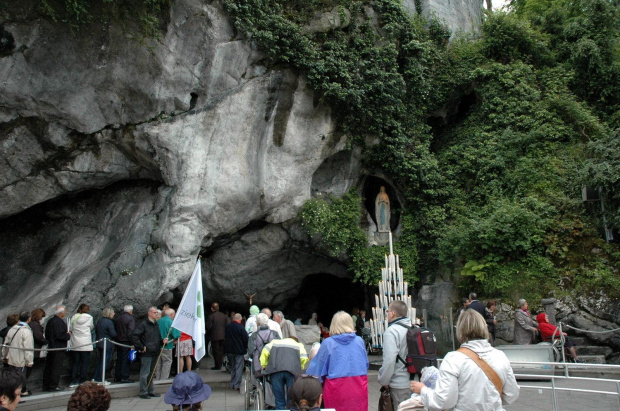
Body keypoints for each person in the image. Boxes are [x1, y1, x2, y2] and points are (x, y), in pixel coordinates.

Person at [410, 310, 520, 410]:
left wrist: (423, 390)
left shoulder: (453, 359)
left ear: (459, 330)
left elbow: (444, 402)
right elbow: (511, 394)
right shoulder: (500, 356)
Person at [306, 311, 368, 411]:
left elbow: (317, 369)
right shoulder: (359, 341)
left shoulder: (328, 343)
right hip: (358, 387)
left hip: (335, 390)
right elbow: (365, 364)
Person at [378, 300, 413, 409]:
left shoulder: (392, 331)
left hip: (399, 384)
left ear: (392, 313)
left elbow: (389, 360)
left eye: (387, 311)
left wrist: (384, 381)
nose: (387, 314)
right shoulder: (414, 328)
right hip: (416, 383)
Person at [260, 336, 308, 410]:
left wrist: (264, 364)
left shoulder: (274, 342)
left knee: (279, 399)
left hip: (275, 370)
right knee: (291, 398)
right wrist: (299, 368)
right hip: (292, 372)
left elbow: (265, 352)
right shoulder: (299, 345)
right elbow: (304, 358)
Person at [132, 306, 167, 399]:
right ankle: (143, 391)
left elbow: (157, 337)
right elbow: (135, 336)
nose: (156, 314)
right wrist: (141, 347)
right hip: (147, 351)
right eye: (155, 312)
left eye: (157, 312)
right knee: (145, 372)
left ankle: (151, 390)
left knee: (152, 372)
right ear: (150, 313)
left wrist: (162, 341)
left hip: (155, 350)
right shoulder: (143, 324)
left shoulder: (156, 324)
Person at [1, 311, 33, 397]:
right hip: (20, 359)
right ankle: (16, 395)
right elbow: (28, 348)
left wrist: (4, 356)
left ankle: (12, 394)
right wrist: (29, 361)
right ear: (29, 319)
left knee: (12, 378)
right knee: (19, 379)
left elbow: (6, 344)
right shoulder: (26, 331)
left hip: (11, 358)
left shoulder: (12, 328)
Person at [42, 305, 71, 392]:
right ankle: (53, 385)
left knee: (50, 367)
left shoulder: (51, 321)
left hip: (52, 346)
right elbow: (59, 335)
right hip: (58, 347)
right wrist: (68, 335)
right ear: (61, 313)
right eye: (65, 311)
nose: (65, 313)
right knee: (56, 367)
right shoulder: (58, 322)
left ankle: (47, 385)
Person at [69, 304, 95, 387]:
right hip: (85, 343)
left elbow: (70, 328)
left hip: (75, 343)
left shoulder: (74, 317)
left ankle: (73, 381)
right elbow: (91, 327)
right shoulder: (89, 317)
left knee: (75, 363)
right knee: (85, 363)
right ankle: (83, 379)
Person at [93, 307, 117, 384]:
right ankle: (100, 379)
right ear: (109, 313)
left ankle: (96, 377)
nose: (114, 314)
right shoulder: (109, 322)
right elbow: (113, 334)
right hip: (107, 344)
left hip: (100, 343)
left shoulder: (99, 321)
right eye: (113, 312)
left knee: (100, 361)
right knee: (105, 361)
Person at [224, 313, 248, 390]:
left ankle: (232, 383)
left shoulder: (227, 327)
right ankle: (236, 384)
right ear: (240, 319)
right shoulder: (241, 327)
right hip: (239, 350)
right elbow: (245, 339)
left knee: (233, 367)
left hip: (229, 350)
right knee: (238, 367)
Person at [155, 308, 180, 380]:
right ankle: (163, 379)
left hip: (157, 345)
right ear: (171, 314)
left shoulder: (159, 321)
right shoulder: (170, 322)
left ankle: (157, 378)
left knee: (158, 362)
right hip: (167, 345)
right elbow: (176, 334)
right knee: (167, 362)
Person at [114, 305, 135, 383]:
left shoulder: (118, 317)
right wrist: (132, 341)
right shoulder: (130, 318)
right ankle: (124, 377)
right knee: (126, 359)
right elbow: (130, 331)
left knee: (119, 359)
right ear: (130, 311)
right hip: (126, 341)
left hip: (118, 340)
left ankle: (117, 376)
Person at [206, 303, 227, 370]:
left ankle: (217, 365)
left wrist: (208, 334)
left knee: (216, 351)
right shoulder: (223, 316)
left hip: (214, 336)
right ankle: (220, 363)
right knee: (221, 351)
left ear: (212, 309)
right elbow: (226, 325)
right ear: (218, 308)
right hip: (223, 336)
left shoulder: (211, 316)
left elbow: (208, 327)